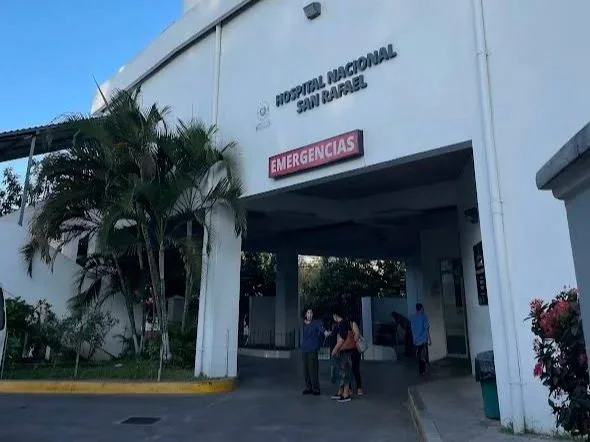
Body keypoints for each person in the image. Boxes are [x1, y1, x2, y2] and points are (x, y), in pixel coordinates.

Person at [330, 308, 357, 403]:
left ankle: (346, 393)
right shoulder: (340, 324)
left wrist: (335, 350)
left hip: (344, 352)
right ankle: (341, 392)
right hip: (342, 352)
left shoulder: (342, 324)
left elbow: (342, 338)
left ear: (335, 315)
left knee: (345, 372)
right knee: (341, 372)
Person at [301, 308, 327, 396]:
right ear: (305, 314)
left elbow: (321, 329)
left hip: (312, 349)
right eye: (308, 313)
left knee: (313, 369)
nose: (310, 314)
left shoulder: (315, 323)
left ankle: (316, 388)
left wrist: (325, 332)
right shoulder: (304, 324)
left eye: (311, 313)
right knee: (306, 370)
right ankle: (309, 387)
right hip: (305, 349)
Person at [410, 303, 431, 376]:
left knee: (421, 355)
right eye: (423, 308)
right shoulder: (424, 317)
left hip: (417, 340)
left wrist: (414, 338)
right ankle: (423, 371)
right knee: (423, 355)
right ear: (421, 309)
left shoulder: (412, 317)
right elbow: (427, 329)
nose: (423, 310)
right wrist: (429, 339)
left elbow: (412, 329)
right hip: (423, 339)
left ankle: (421, 370)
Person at [350, 315, 364, 396]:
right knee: (350, 369)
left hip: (354, 349)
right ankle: (351, 388)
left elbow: (357, 334)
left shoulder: (353, 323)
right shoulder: (346, 323)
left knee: (355, 368)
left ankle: (359, 387)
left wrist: (350, 343)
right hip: (350, 349)